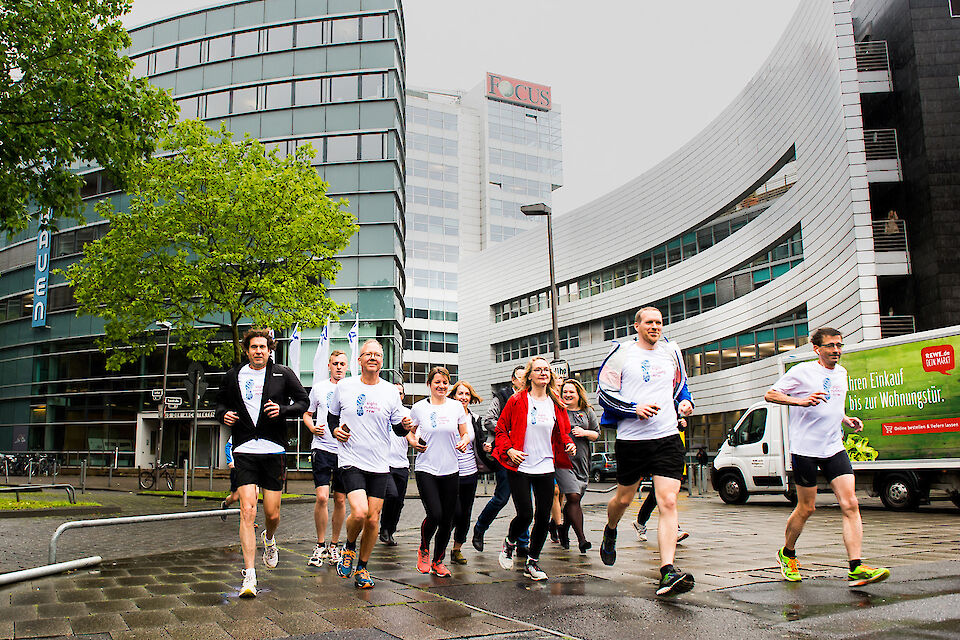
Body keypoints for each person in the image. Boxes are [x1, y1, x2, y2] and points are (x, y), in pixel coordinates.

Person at [765, 327, 890, 587]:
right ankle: (787, 554)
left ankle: (855, 567)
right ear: (817, 349)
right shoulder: (802, 371)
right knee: (807, 507)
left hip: (834, 447)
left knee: (851, 503)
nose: (836, 350)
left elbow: (833, 405)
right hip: (805, 449)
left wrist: (845, 418)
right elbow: (770, 394)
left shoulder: (842, 373)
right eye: (831, 346)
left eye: (839, 345)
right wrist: (800, 402)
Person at [597, 307, 695, 597]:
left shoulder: (671, 352)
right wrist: (633, 409)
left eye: (659, 323)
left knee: (668, 501)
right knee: (623, 499)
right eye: (649, 322)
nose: (655, 327)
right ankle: (611, 528)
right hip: (632, 440)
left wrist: (685, 403)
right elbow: (604, 393)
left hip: (667, 436)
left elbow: (681, 387)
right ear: (637, 326)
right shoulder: (621, 354)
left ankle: (667, 571)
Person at [215, 329, 309, 598]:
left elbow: (303, 401)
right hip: (244, 449)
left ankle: (269, 538)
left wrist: (284, 410)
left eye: (263, 347)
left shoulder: (283, 374)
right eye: (254, 347)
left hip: (274, 450)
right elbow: (219, 403)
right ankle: (249, 576)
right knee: (247, 510)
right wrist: (225, 415)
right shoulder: (234, 376)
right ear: (247, 350)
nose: (258, 351)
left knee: (273, 514)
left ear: (270, 350)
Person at [329, 339, 407, 589]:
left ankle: (362, 567)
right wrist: (335, 430)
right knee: (360, 512)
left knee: (373, 520)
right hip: (351, 459)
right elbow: (332, 417)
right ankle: (349, 546)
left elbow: (397, 429)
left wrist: (404, 427)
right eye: (368, 354)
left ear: (382, 361)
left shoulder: (390, 392)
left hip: (380, 464)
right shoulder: (345, 387)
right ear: (359, 360)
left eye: (378, 355)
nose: (373, 357)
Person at [494, 356, 576, 581]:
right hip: (520, 465)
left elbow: (563, 431)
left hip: (546, 464)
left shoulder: (555, 402)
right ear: (529, 375)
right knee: (525, 514)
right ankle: (510, 542)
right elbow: (501, 430)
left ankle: (532, 562)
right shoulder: (517, 400)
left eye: (546, 370)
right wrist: (509, 450)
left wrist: (568, 445)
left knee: (542, 516)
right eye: (538, 370)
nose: (543, 373)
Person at [404, 367, 470, 577]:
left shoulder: (456, 407)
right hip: (427, 468)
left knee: (448, 519)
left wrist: (464, 441)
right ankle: (424, 548)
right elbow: (409, 433)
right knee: (435, 514)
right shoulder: (419, 407)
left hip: (451, 468)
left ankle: (438, 560)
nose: (441, 386)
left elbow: (465, 433)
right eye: (437, 383)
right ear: (429, 385)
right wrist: (413, 443)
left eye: (444, 383)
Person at [472, 365, 529, 554]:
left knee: (525, 502)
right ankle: (480, 528)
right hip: (505, 453)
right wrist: (509, 430)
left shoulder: (531, 397)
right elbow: (488, 420)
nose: (523, 381)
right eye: (520, 378)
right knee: (502, 497)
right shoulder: (503, 397)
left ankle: (522, 543)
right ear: (513, 379)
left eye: (525, 378)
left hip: (525, 455)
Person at [303, 350, 349, 567]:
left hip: (344, 451)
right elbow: (307, 413)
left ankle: (334, 545)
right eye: (335, 363)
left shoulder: (351, 388)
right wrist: (312, 428)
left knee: (340, 499)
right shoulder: (319, 388)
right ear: (329, 366)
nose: (339, 367)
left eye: (342, 363)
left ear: (347, 366)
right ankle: (320, 544)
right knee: (322, 497)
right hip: (321, 448)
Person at [557, 379, 600, 553]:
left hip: (582, 461)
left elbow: (596, 434)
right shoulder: (558, 411)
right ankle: (582, 540)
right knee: (573, 497)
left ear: (578, 394)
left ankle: (563, 529)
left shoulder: (587, 411)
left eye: (571, 392)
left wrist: (584, 433)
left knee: (574, 501)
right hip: (563, 462)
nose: (567, 395)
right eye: (564, 392)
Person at [633, 417, 690, 543]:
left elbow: (673, 425)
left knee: (656, 495)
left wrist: (681, 424)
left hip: (671, 454)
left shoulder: (670, 403)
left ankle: (640, 522)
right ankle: (675, 529)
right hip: (655, 454)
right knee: (663, 494)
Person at [448, 380, 486, 565]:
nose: (463, 397)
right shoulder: (446, 414)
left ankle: (457, 549)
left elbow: (477, 442)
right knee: (451, 511)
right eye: (460, 393)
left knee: (465, 512)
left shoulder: (474, 418)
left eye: (466, 394)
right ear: (453, 395)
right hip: (449, 471)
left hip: (470, 471)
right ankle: (439, 546)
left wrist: (485, 447)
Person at [379, 381, 418, 546]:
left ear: (403, 396)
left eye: (400, 393)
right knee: (391, 495)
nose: (397, 395)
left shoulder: (407, 413)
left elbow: (412, 435)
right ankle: (383, 529)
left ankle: (390, 530)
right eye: (394, 392)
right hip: (384, 463)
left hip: (401, 463)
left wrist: (418, 443)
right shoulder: (381, 410)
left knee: (399, 501)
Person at [220, 436, 240, 518]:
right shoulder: (241, 428)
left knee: (254, 494)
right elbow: (228, 446)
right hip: (237, 468)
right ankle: (225, 504)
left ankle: (250, 521)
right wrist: (230, 461)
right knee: (235, 497)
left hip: (251, 469)